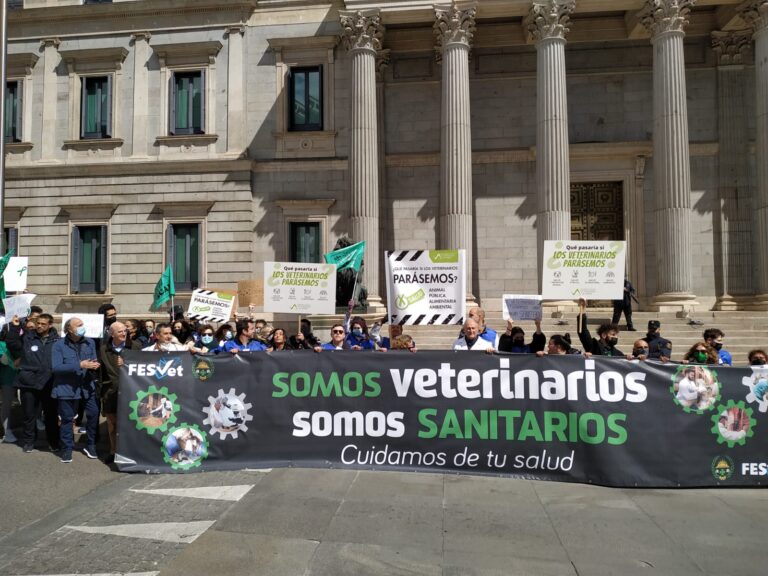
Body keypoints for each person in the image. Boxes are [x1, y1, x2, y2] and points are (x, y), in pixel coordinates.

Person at [7, 313, 60, 453]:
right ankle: (29, 442)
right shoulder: (28, 336)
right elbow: (12, 344)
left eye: (43, 324)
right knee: (29, 414)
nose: (40, 326)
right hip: (28, 382)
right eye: (38, 323)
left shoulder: (57, 340)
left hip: (49, 382)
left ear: (50, 325)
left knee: (51, 415)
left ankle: (53, 442)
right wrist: (14, 326)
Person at [52, 317, 100, 463]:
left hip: (87, 386)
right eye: (78, 325)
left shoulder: (89, 342)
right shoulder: (59, 345)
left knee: (93, 414)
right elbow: (56, 368)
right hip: (66, 388)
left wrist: (94, 365)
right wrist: (80, 364)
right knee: (67, 419)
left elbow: (93, 360)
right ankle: (67, 448)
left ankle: (90, 445)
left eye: (82, 324)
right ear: (69, 329)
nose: (82, 327)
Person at [99, 321, 141, 464]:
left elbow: (144, 366)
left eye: (125, 331)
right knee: (112, 423)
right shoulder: (103, 349)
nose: (124, 333)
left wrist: (128, 362)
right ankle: (114, 451)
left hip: (132, 391)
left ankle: (132, 451)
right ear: (112, 334)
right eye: (120, 332)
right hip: (111, 392)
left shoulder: (136, 347)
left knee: (132, 422)